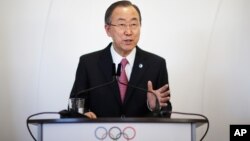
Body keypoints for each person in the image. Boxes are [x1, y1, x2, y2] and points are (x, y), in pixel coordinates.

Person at [70, 0, 172, 118]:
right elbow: (74, 107)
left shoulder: (156, 64)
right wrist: (83, 115)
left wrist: (154, 106)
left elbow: (166, 113)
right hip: (100, 134)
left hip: (142, 135)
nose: (128, 32)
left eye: (134, 24)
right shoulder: (88, 63)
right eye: (121, 24)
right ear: (108, 30)